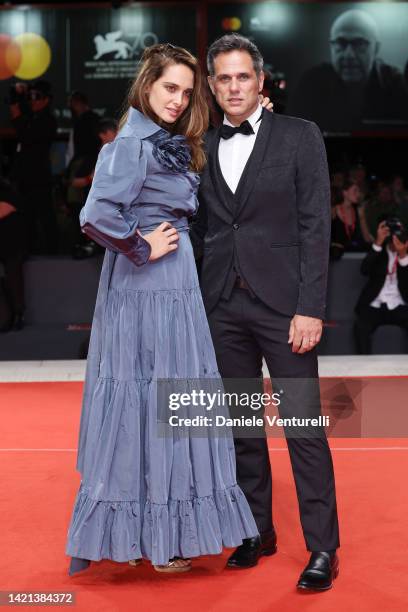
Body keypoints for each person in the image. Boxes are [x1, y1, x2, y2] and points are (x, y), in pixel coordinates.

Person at [65, 43, 258, 576]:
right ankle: (147, 537)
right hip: (145, 284)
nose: (177, 100)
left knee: (169, 404)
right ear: (146, 84)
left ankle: (164, 534)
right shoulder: (129, 143)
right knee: (146, 403)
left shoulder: (165, 141)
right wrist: (142, 246)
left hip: (174, 287)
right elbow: (96, 214)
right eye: (169, 87)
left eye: (186, 92)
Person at [191, 33, 340, 591]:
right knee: (241, 429)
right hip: (221, 306)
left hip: (286, 311)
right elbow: (204, 227)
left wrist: (311, 308)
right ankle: (257, 530)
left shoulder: (301, 137)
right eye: (223, 78)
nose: (233, 87)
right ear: (212, 84)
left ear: (261, 81)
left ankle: (323, 547)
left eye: (243, 77)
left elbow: (315, 227)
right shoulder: (199, 143)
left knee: (303, 429)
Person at [287, 9, 408, 131]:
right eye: (340, 43)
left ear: (376, 49)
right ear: (331, 47)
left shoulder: (395, 83)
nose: (349, 55)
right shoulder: (312, 83)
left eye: (360, 44)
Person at [9, 80, 58, 254]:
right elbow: (17, 116)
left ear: (46, 100)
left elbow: (24, 133)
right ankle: (29, 249)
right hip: (25, 177)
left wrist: (19, 111)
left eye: (37, 97)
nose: (33, 100)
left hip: (39, 177)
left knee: (45, 216)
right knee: (27, 216)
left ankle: (53, 252)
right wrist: (17, 95)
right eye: (30, 97)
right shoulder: (31, 116)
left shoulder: (48, 120)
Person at [354, 219, 408, 353]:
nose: (396, 236)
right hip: (376, 305)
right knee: (360, 326)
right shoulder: (379, 252)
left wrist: (403, 254)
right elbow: (364, 270)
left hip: (400, 305)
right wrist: (378, 242)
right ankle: (364, 367)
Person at [0, 178, 26, 332]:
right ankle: (8, 315)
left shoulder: (9, 198)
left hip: (13, 246)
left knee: (14, 277)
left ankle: (17, 314)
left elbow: (4, 209)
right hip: (7, 246)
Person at [330, 179, 369, 259]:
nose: (358, 194)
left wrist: (362, 217)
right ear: (345, 193)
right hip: (336, 256)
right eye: (355, 191)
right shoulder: (334, 210)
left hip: (353, 254)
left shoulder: (358, 211)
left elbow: (366, 237)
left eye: (359, 191)